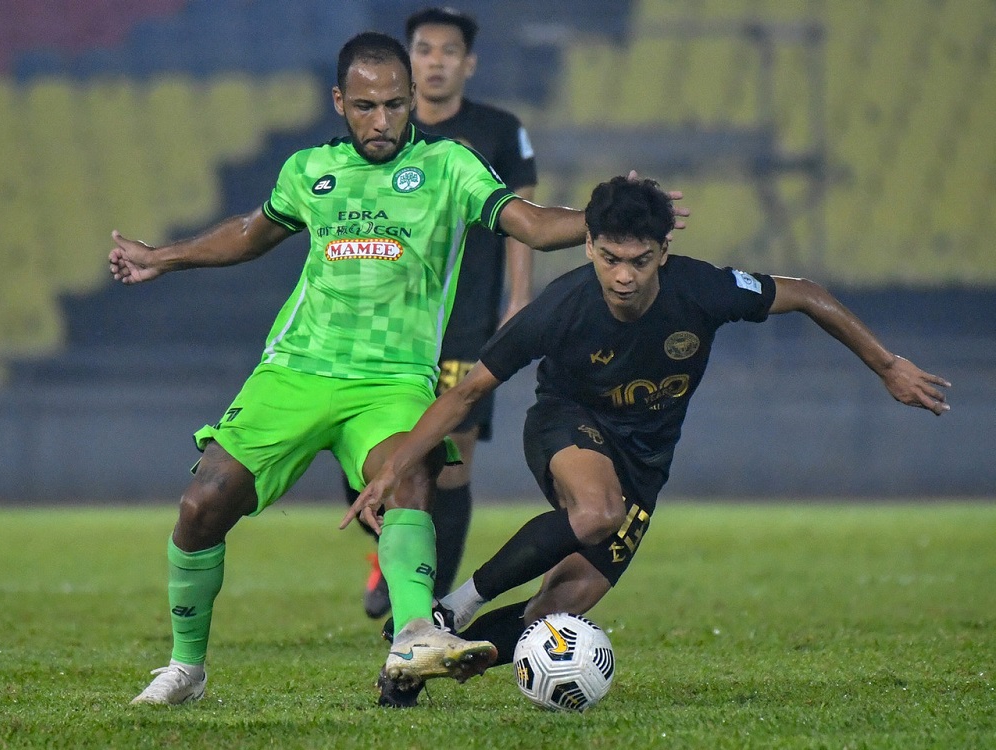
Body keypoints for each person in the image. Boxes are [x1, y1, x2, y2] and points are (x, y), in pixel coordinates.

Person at [110, 33, 682, 708]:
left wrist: (612, 218)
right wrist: (162, 256)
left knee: (412, 475)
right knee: (203, 505)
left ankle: (414, 631)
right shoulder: (309, 170)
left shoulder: (449, 167)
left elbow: (526, 221)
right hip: (296, 370)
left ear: (413, 100)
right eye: (364, 106)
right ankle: (186, 669)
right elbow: (251, 230)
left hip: (393, 378)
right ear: (339, 103)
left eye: (393, 104)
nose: (381, 120)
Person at [347, 175, 951, 707]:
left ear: (665, 251)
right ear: (588, 247)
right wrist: (395, 466)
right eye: (610, 258)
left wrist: (886, 364)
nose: (623, 276)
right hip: (565, 425)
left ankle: (418, 668)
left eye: (639, 260)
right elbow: (466, 392)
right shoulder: (563, 307)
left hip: (644, 463)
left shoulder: (704, 290)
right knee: (597, 511)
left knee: (557, 611)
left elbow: (807, 294)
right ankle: (453, 608)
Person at [343, 6, 540, 621]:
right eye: (424, 50)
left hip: (467, 321)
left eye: (447, 51)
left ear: (468, 63)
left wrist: (519, 298)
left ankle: (425, 597)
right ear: (407, 61)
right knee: (364, 456)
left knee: (449, 462)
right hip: (384, 323)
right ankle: (390, 555)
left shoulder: (501, 130)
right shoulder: (381, 139)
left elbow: (522, 220)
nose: (435, 61)